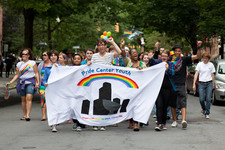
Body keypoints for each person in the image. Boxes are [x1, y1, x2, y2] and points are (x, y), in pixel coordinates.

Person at [88, 37, 122, 131]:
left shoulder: (109, 55)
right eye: (99, 45)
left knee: (105, 101)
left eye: (103, 45)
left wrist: (113, 42)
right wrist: (89, 63)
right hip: (96, 83)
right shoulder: (94, 56)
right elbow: (90, 66)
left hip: (107, 83)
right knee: (96, 101)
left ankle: (103, 123)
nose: (101, 47)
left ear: (105, 46)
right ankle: (95, 122)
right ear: (97, 46)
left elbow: (120, 52)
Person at [170, 42, 201, 129]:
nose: (177, 52)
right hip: (172, 84)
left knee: (183, 101)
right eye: (176, 51)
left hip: (181, 84)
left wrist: (199, 47)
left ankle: (183, 120)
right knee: (173, 103)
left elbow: (197, 56)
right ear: (173, 52)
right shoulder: (170, 60)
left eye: (179, 51)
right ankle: (175, 121)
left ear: (181, 52)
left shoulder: (184, 59)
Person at [7, 48, 40, 121]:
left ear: (28, 55)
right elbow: (17, 75)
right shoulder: (19, 64)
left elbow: (36, 73)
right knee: (23, 99)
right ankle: (24, 115)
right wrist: (10, 82)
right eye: (22, 54)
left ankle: (28, 115)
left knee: (29, 97)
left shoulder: (32, 63)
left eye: (25, 54)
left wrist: (37, 82)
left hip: (30, 82)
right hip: (22, 83)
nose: (23, 55)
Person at [148, 49, 176, 131]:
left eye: (165, 56)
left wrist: (167, 69)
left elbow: (173, 73)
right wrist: (151, 56)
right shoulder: (158, 62)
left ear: (168, 57)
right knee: (159, 105)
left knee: (165, 106)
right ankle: (159, 123)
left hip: (167, 88)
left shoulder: (170, 64)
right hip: (158, 88)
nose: (164, 57)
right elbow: (152, 61)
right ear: (160, 56)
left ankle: (163, 123)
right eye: (163, 56)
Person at [122, 48, 146, 131]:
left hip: (139, 88)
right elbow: (123, 55)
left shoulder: (142, 64)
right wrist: (122, 47)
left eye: (136, 52)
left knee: (137, 105)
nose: (135, 54)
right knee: (131, 105)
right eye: (133, 53)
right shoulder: (128, 63)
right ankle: (131, 121)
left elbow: (147, 74)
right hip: (130, 88)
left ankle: (136, 123)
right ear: (130, 55)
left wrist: (142, 71)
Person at [193, 52, 215, 119]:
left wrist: (213, 84)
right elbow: (196, 74)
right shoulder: (199, 64)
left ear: (208, 59)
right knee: (201, 99)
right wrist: (194, 83)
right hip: (201, 83)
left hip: (209, 83)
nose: (205, 59)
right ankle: (203, 108)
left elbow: (212, 75)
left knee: (208, 99)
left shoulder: (211, 65)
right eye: (204, 58)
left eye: (206, 58)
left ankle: (207, 113)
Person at [43, 50, 61, 132]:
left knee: (57, 106)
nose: (53, 57)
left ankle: (55, 123)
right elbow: (44, 79)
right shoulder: (47, 68)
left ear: (57, 57)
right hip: (50, 90)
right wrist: (45, 83)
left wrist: (58, 68)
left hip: (58, 90)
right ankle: (53, 123)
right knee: (51, 106)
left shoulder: (61, 67)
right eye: (51, 55)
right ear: (49, 57)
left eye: (55, 55)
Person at [37, 51, 51, 121]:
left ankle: (52, 115)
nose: (43, 56)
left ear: (49, 56)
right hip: (42, 85)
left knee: (51, 100)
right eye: (42, 55)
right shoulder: (40, 65)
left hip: (51, 85)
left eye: (45, 55)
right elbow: (38, 74)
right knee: (43, 100)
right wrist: (37, 83)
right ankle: (43, 116)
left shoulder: (52, 64)